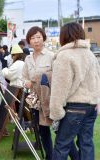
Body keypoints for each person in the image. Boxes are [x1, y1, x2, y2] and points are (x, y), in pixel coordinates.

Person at [50, 22, 100, 160]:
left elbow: (60, 87)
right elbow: (97, 80)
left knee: (62, 145)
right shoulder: (90, 55)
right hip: (91, 107)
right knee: (86, 144)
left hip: (74, 107)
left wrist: (55, 112)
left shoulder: (64, 56)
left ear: (63, 36)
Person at [22, 26, 55, 160]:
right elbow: (23, 77)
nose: (36, 41)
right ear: (29, 41)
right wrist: (26, 82)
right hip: (35, 99)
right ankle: (50, 156)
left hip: (50, 98)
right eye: (32, 38)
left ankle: (68, 155)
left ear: (43, 38)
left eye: (38, 37)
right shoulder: (28, 59)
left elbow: (58, 77)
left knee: (59, 130)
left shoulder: (52, 56)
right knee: (42, 130)